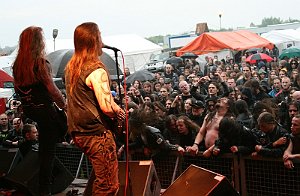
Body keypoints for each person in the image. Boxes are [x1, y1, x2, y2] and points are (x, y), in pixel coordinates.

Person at [65, 22, 125, 195]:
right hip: (96, 134)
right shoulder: (95, 70)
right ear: (94, 39)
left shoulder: (72, 67)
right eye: (100, 35)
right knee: (108, 185)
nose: (102, 40)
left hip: (79, 132)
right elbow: (106, 107)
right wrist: (119, 112)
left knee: (100, 179)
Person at [12, 26, 67, 196]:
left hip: (31, 110)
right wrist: (65, 105)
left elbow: (18, 89)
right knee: (48, 151)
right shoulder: (41, 64)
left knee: (45, 149)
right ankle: (45, 190)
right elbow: (52, 89)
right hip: (45, 110)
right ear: (38, 43)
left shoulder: (17, 66)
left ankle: (44, 186)